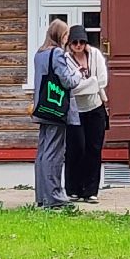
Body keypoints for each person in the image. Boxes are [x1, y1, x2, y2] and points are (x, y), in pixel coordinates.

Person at [32, 19, 82, 209]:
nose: (68, 38)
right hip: (57, 109)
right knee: (54, 153)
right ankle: (54, 198)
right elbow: (67, 81)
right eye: (66, 35)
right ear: (60, 35)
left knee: (43, 152)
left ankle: (42, 196)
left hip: (43, 107)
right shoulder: (57, 53)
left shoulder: (39, 53)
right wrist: (78, 73)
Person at [64, 26, 108, 204]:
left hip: (95, 108)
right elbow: (71, 87)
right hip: (75, 110)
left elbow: (103, 80)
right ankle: (73, 189)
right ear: (69, 43)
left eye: (82, 42)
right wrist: (92, 83)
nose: (78, 45)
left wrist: (87, 83)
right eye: (74, 42)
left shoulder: (95, 55)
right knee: (76, 149)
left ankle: (91, 191)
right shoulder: (65, 59)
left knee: (94, 149)